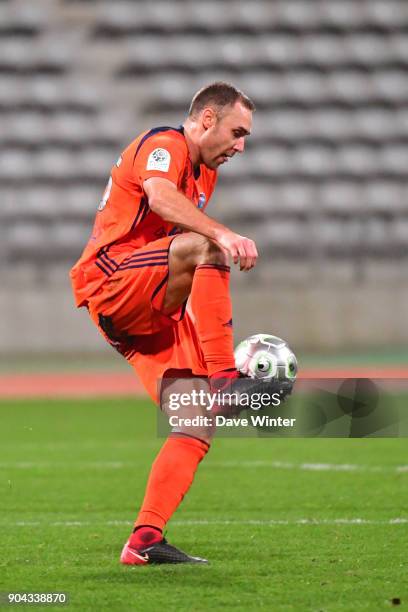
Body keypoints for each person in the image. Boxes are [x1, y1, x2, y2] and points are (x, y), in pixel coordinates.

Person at [70, 81, 257, 564]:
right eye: (237, 132)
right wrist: (221, 233)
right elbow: (158, 198)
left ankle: (144, 540)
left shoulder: (205, 175)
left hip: (150, 305)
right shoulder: (164, 145)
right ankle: (225, 376)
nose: (241, 145)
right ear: (208, 119)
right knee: (209, 243)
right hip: (112, 278)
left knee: (195, 422)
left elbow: (184, 264)